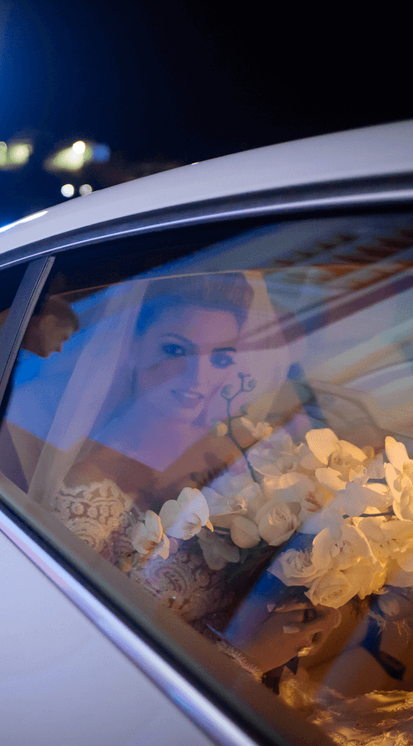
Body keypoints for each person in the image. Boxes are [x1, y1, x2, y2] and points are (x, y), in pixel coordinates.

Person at [48, 274, 339, 679]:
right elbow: (85, 662)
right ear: (132, 347)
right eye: (174, 350)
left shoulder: (238, 451)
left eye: (220, 357)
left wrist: (307, 596)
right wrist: (243, 657)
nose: (198, 378)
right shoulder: (88, 492)